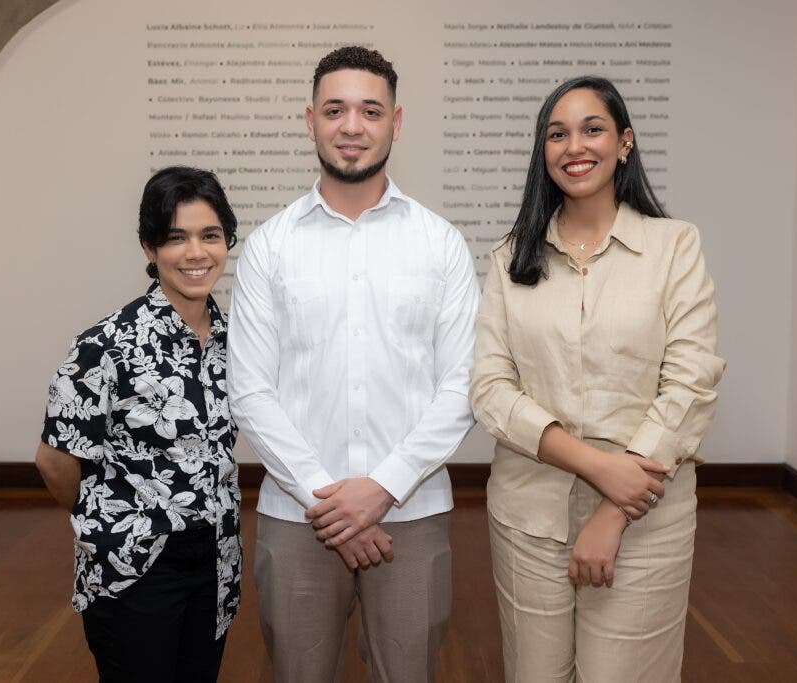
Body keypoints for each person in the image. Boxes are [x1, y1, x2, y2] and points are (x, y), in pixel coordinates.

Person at [227, 46, 479, 682]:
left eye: (370, 110)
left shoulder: (439, 243)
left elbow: (463, 385)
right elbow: (251, 391)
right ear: (310, 120)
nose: (351, 126)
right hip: (297, 517)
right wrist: (333, 502)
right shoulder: (269, 248)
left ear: (396, 122)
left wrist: (384, 487)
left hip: (411, 515)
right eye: (335, 110)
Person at [469, 76, 725, 682]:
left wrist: (614, 506)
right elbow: (489, 386)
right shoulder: (511, 258)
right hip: (528, 515)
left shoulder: (674, 246)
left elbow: (690, 385)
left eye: (592, 129)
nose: (574, 146)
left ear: (624, 143)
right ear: (543, 150)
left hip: (645, 517)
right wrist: (595, 463)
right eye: (557, 133)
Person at [34, 166, 240, 683]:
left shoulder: (236, 341)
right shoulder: (104, 345)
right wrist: (106, 525)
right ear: (150, 248)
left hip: (216, 556)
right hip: (135, 566)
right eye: (176, 238)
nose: (196, 253)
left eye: (209, 235)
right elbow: (55, 461)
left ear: (227, 241)